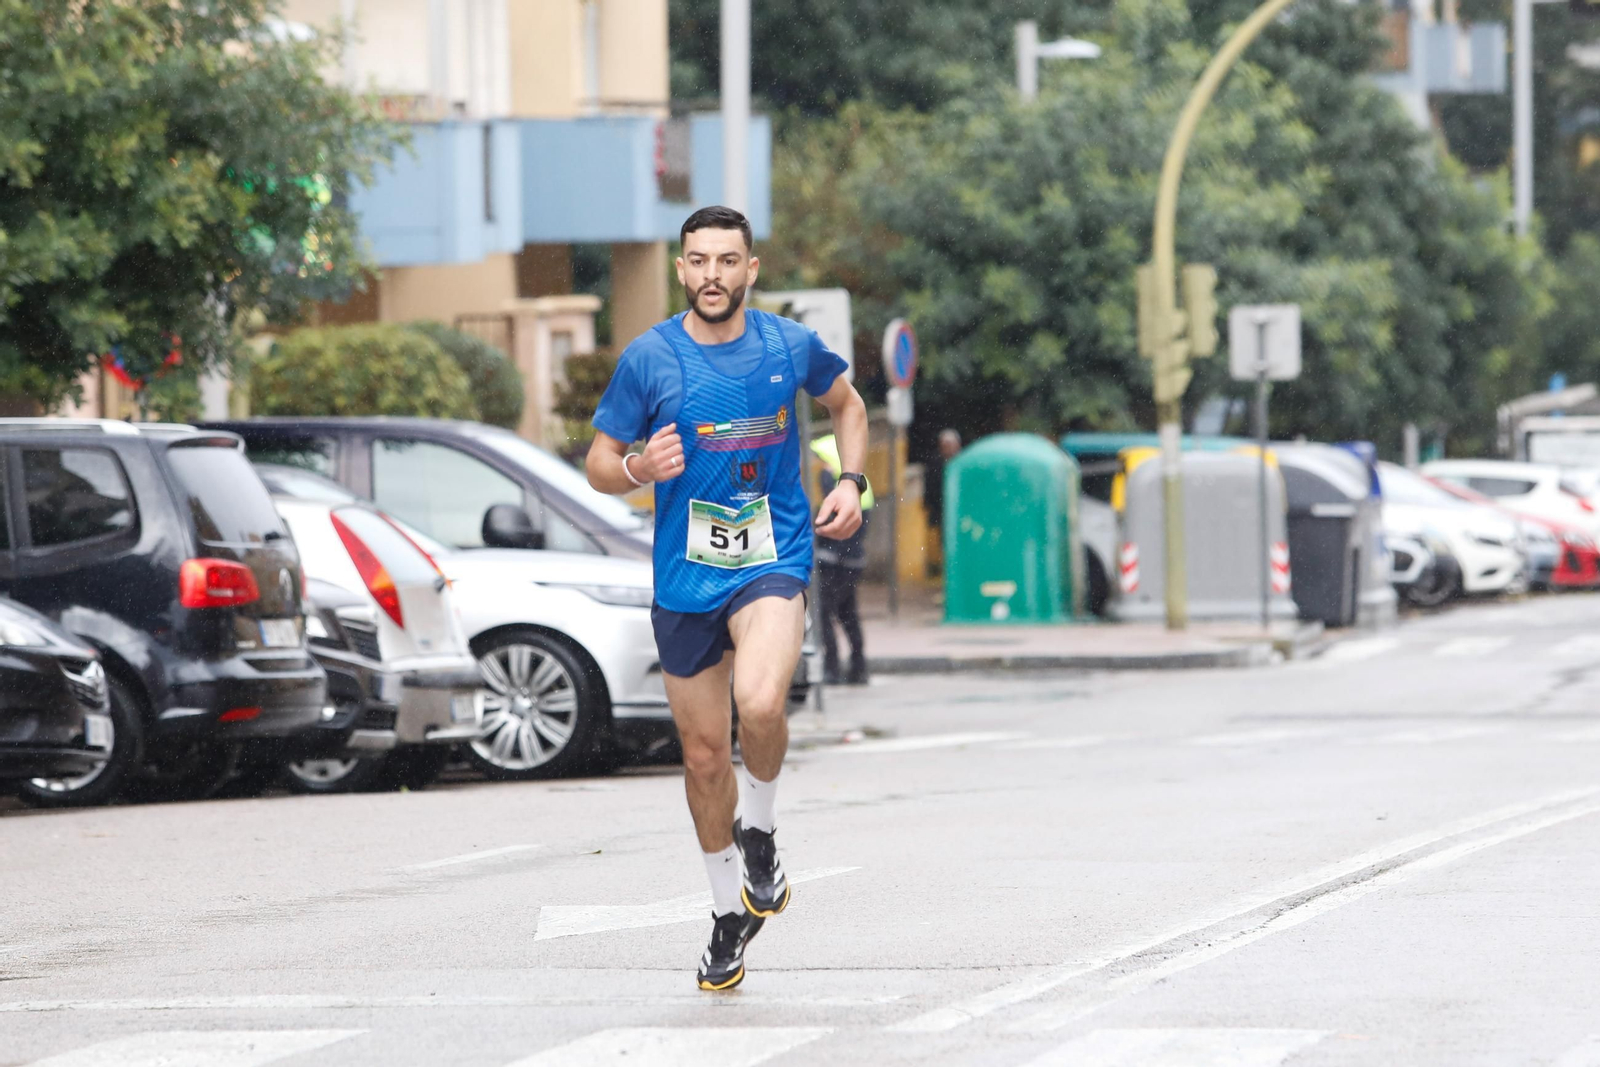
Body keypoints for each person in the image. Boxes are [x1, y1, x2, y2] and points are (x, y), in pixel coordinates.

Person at [585, 206, 870, 992]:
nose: (713, 274)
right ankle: (724, 915)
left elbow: (848, 405)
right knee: (706, 756)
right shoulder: (650, 359)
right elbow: (599, 461)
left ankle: (763, 832)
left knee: (762, 699)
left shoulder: (789, 346)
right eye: (699, 260)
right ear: (682, 269)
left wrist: (853, 482)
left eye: (728, 260)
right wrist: (639, 469)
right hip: (685, 579)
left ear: (751, 268)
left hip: (771, 557)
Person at [811, 434, 872, 684]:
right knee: (848, 614)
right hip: (852, 562)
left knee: (824, 613)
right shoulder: (861, 489)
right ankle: (858, 667)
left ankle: (832, 668)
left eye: (824, 461)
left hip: (834, 563)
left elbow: (826, 526)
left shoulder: (835, 491)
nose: (821, 468)